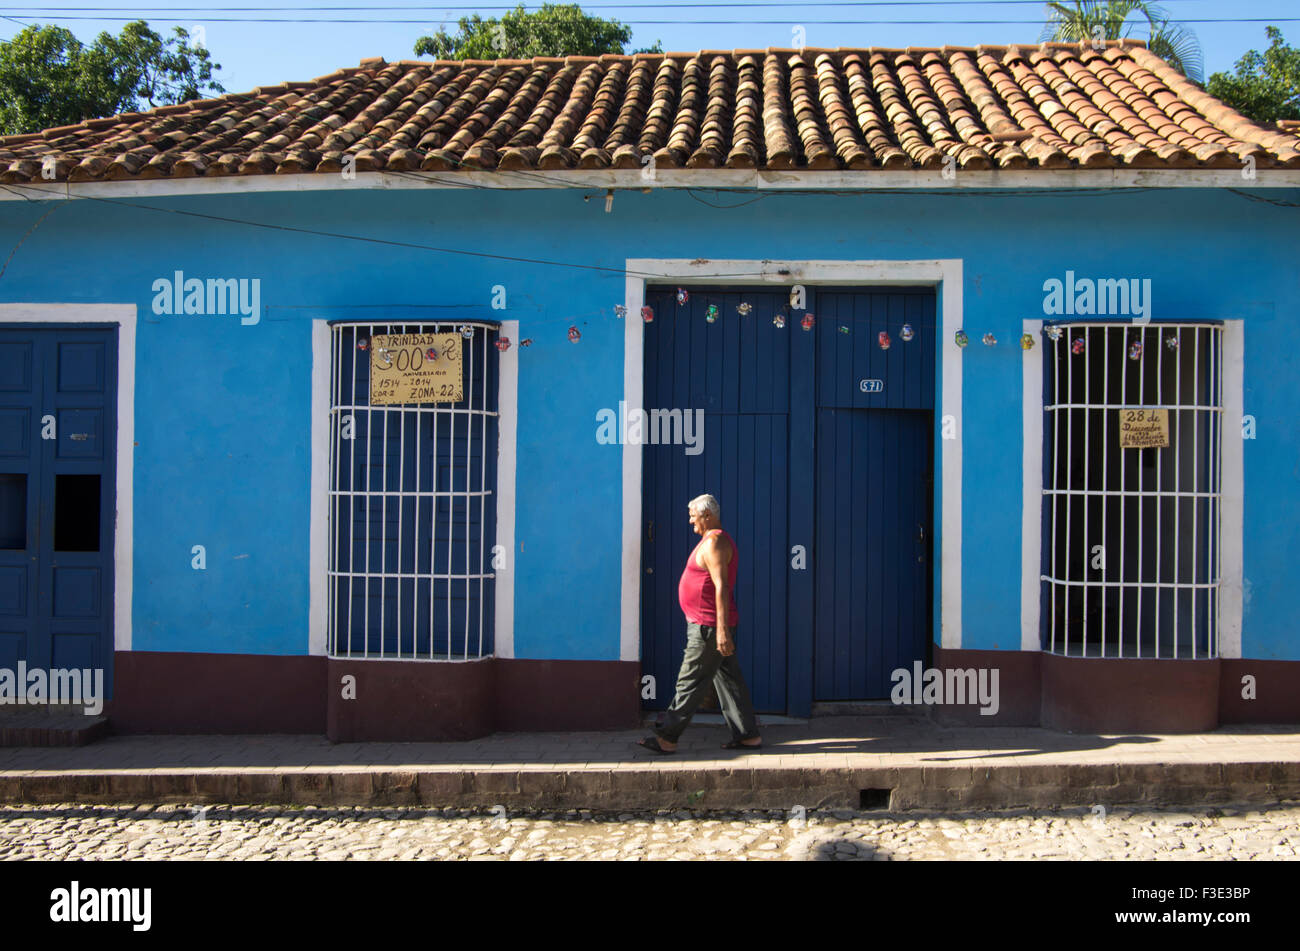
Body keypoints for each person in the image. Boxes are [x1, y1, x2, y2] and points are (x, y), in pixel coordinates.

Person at [638, 493, 762, 754]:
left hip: (708, 627)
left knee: (689, 680)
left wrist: (721, 630)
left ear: (707, 515)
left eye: (693, 515)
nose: (691, 520)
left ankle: (667, 738)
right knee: (729, 680)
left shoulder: (715, 542)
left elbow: (722, 586)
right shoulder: (709, 541)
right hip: (709, 625)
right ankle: (747, 735)